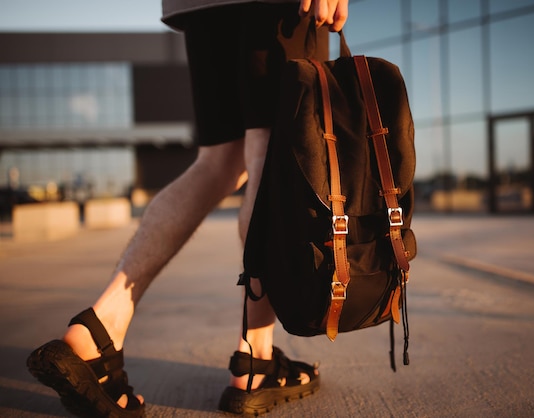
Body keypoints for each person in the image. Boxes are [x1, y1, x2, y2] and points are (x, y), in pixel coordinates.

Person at [26, 1, 349, 417]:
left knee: (219, 162)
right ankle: (257, 360)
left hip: (198, 5)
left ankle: (100, 329)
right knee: (268, 155)